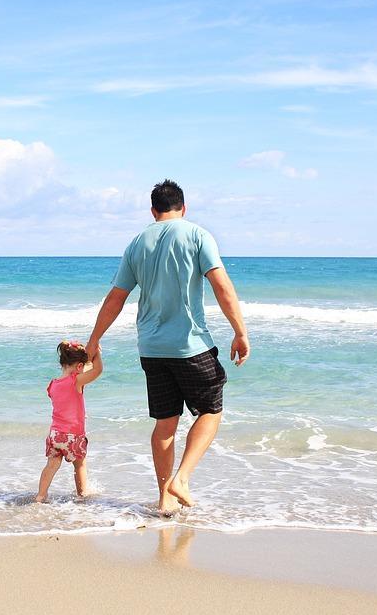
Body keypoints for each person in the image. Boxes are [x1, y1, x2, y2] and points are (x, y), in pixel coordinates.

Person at [85, 179, 249, 515]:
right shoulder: (197, 235)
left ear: (153, 210)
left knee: (165, 423)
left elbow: (117, 297)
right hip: (189, 346)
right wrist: (240, 332)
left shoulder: (136, 243)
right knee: (211, 411)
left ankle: (164, 499)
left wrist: (94, 338)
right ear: (183, 208)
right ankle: (182, 479)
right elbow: (221, 285)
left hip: (151, 348)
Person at [35, 340, 103, 503]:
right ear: (79, 367)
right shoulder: (76, 381)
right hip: (73, 436)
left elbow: (79, 371)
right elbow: (98, 370)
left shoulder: (52, 385)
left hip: (55, 435)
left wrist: (86, 358)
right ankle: (82, 495)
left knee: (51, 465)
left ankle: (40, 496)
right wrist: (97, 352)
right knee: (79, 465)